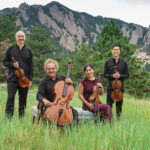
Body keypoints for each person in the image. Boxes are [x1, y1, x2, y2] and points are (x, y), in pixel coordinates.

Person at [36, 58, 78, 125]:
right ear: (46, 70)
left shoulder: (63, 79)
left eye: (53, 68)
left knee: (74, 112)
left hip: (62, 104)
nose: (51, 70)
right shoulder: (43, 81)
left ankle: (72, 130)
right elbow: (39, 95)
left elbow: (71, 92)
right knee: (48, 117)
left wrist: (71, 83)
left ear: (56, 69)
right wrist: (44, 100)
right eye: (49, 69)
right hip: (49, 104)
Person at [3, 31, 33, 118]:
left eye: (22, 36)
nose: (21, 38)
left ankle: (21, 117)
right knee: (10, 98)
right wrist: (12, 65)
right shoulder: (11, 49)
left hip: (24, 79)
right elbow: (5, 62)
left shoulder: (28, 50)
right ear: (16, 38)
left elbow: (31, 65)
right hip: (12, 79)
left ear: (25, 38)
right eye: (19, 36)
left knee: (23, 99)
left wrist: (30, 79)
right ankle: (8, 118)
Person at [104, 44, 129, 118]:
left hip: (120, 89)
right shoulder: (107, 62)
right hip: (110, 88)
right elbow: (105, 74)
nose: (116, 51)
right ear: (112, 51)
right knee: (108, 106)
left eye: (117, 50)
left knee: (119, 107)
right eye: (114, 49)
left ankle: (118, 121)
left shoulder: (124, 63)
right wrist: (112, 75)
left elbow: (127, 75)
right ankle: (109, 121)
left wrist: (120, 75)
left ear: (119, 52)